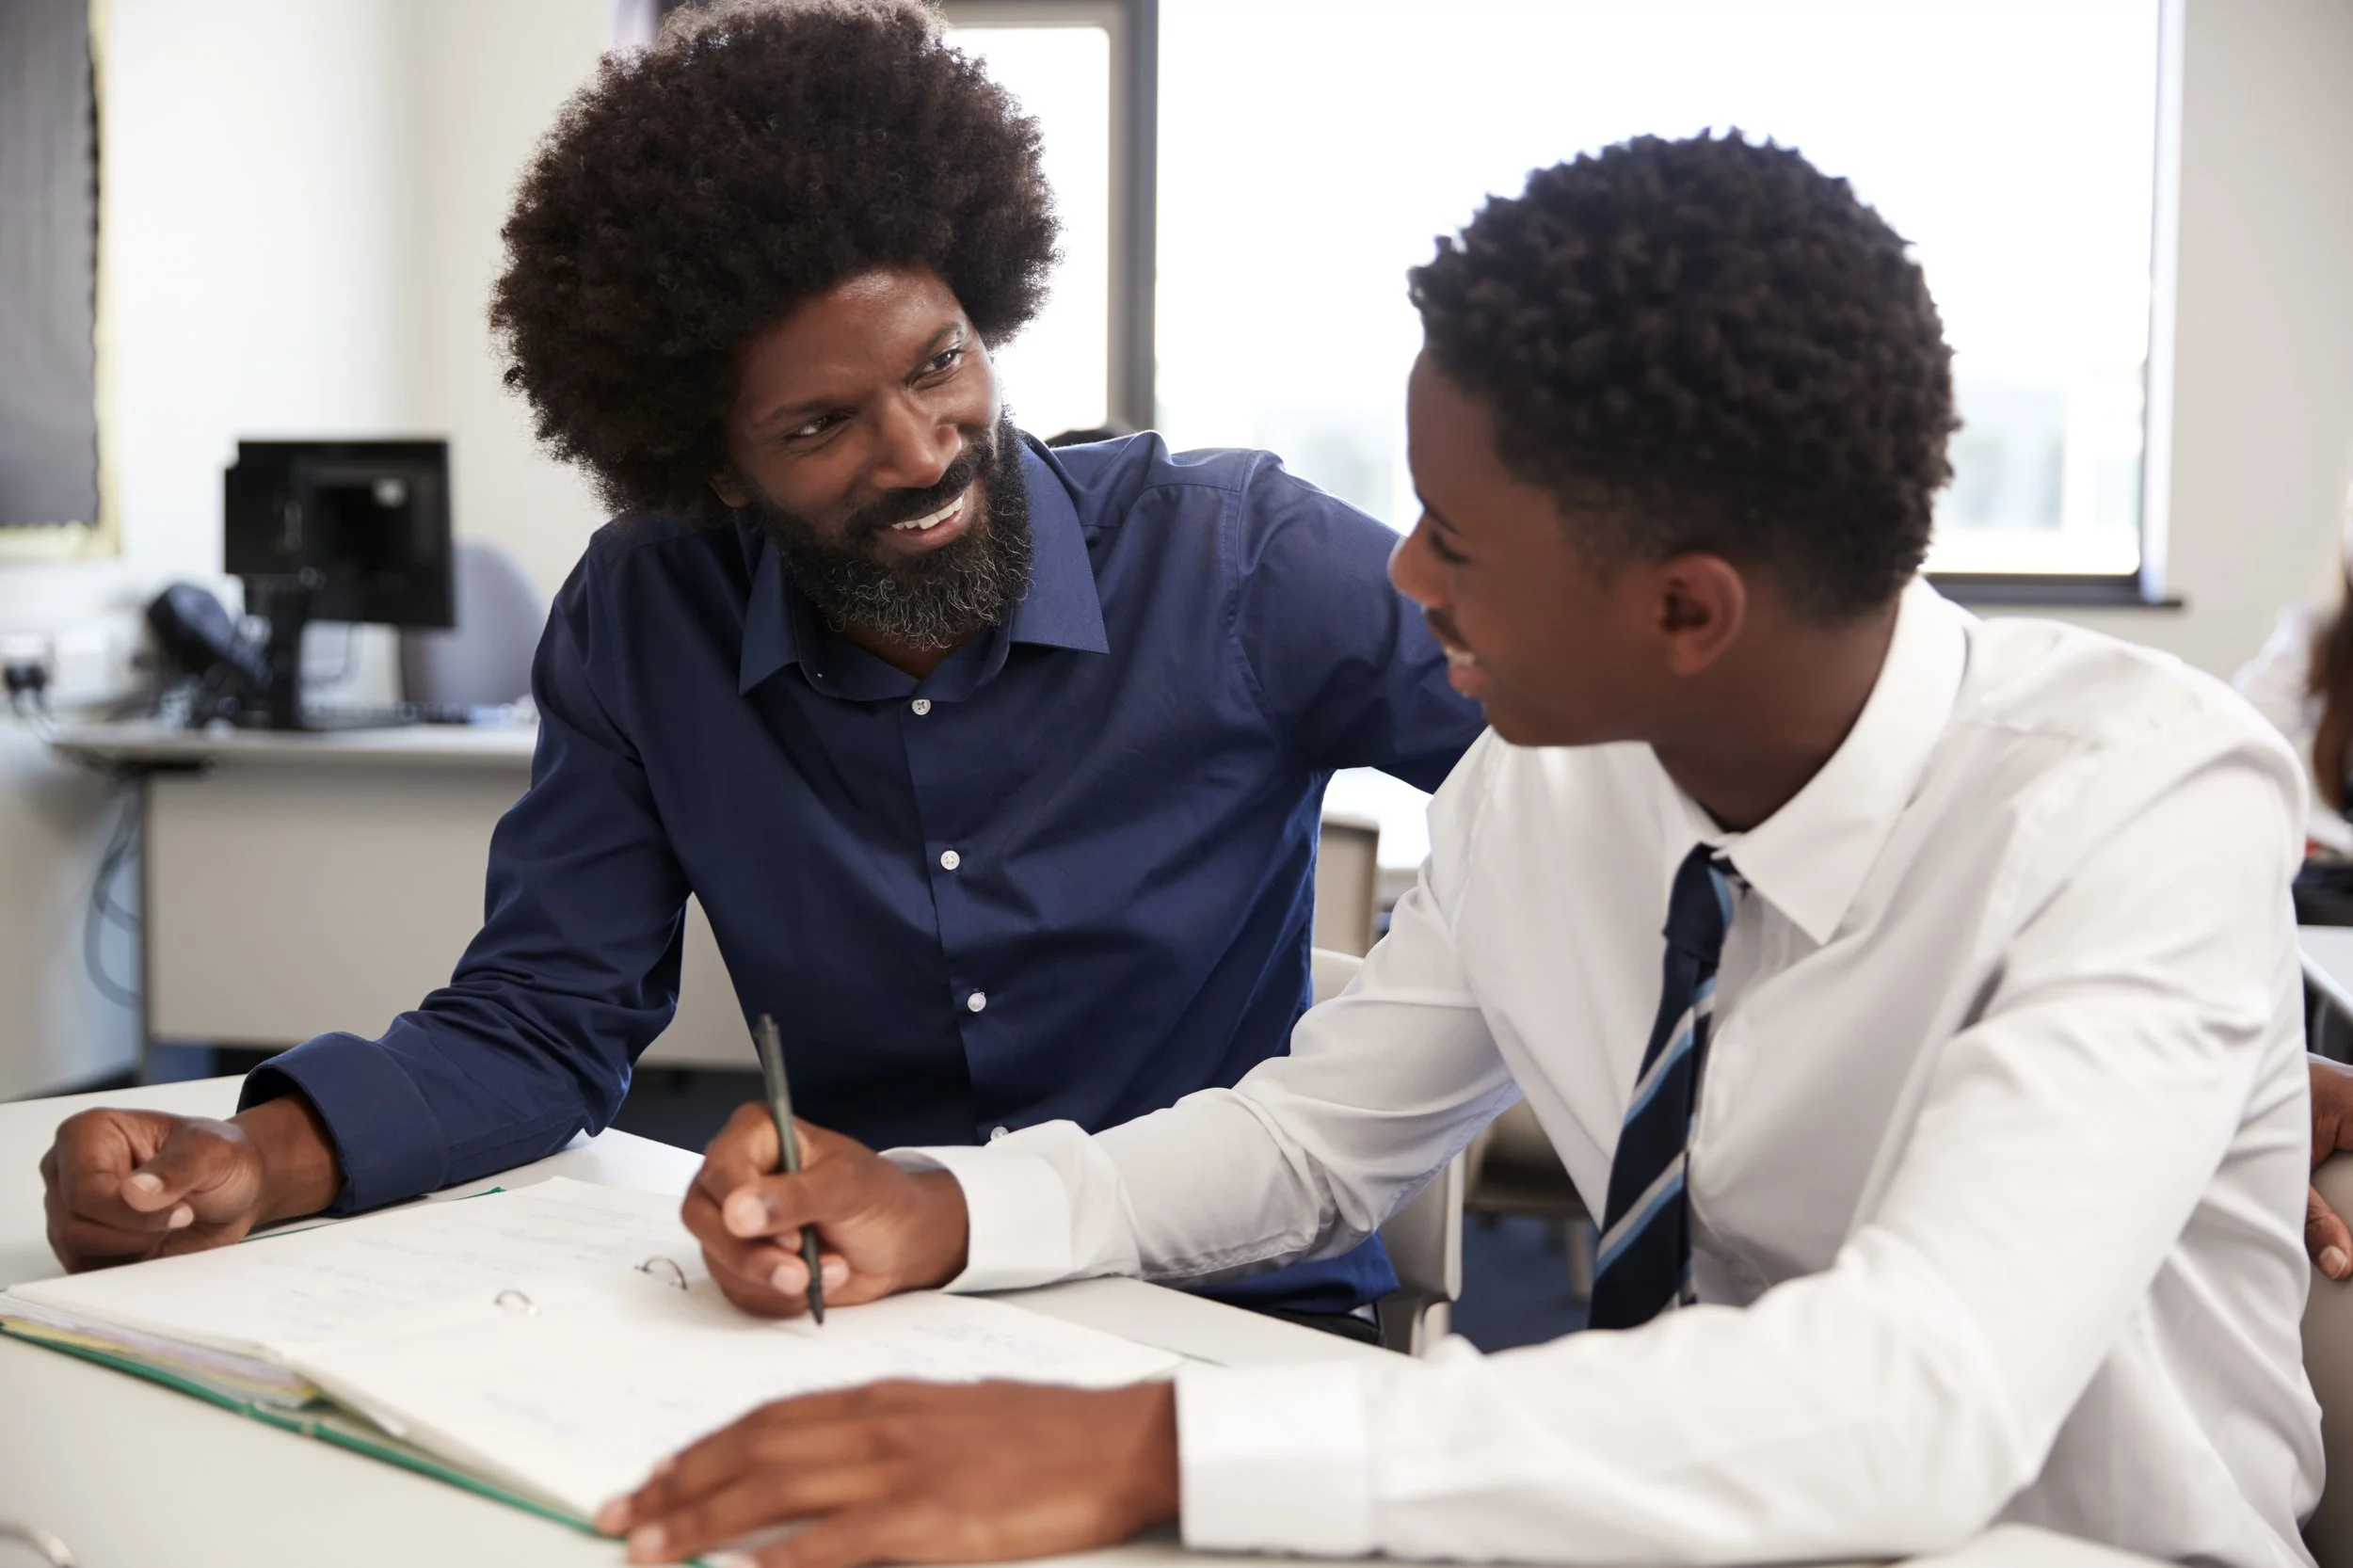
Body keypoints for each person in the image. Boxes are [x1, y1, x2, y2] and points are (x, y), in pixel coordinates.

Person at [598, 134, 2324, 1568]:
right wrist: (946, 1205)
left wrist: (1156, 1446)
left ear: (1683, 609)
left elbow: (1916, 1399)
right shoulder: (1544, 789)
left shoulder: (2142, 799)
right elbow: (1310, 1142)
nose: (1407, 582)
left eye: (1457, 540)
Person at [34, 0, 1482, 1336]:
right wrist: (255, 1155)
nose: (921, 451)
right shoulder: (646, 614)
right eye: (819, 425)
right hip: (853, 1308)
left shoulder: (1241, 560)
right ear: (711, 464)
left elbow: (1591, 787)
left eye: (938, 361)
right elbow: (545, 1016)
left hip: (1233, 1308)